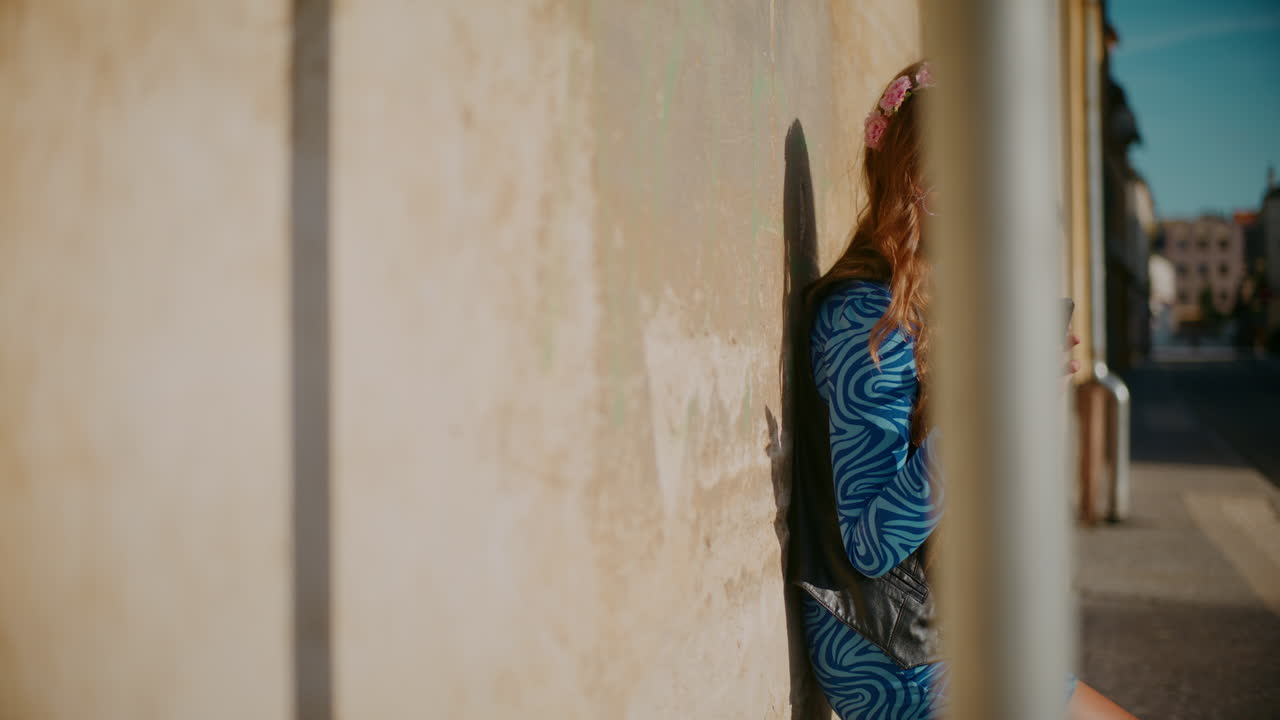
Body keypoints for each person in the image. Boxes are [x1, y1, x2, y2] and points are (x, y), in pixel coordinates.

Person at [787, 60, 1139, 720]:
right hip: (893, 651)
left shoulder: (927, 304)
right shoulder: (869, 315)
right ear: (927, 184)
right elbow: (870, 542)